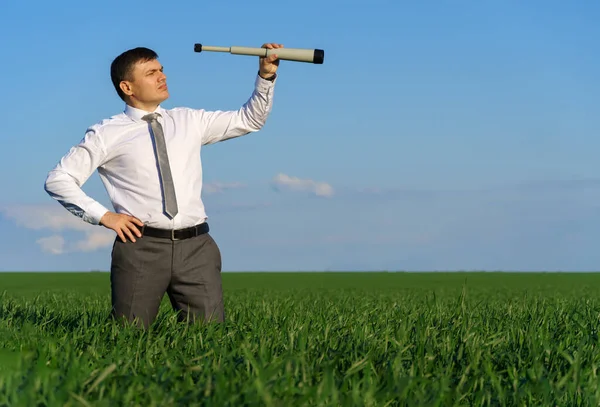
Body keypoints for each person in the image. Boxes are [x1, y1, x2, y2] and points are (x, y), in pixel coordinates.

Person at [44, 43, 283, 328]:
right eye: (151, 73)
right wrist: (105, 216)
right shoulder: (106, 133)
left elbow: (250, 119)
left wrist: (266, 76)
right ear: (127, 87)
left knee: (209, 339)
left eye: (161, 70)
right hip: (141, 247)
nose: (162, 76)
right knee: (129, 337)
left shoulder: (189, 120)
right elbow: (58, 179)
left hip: (197, 248)